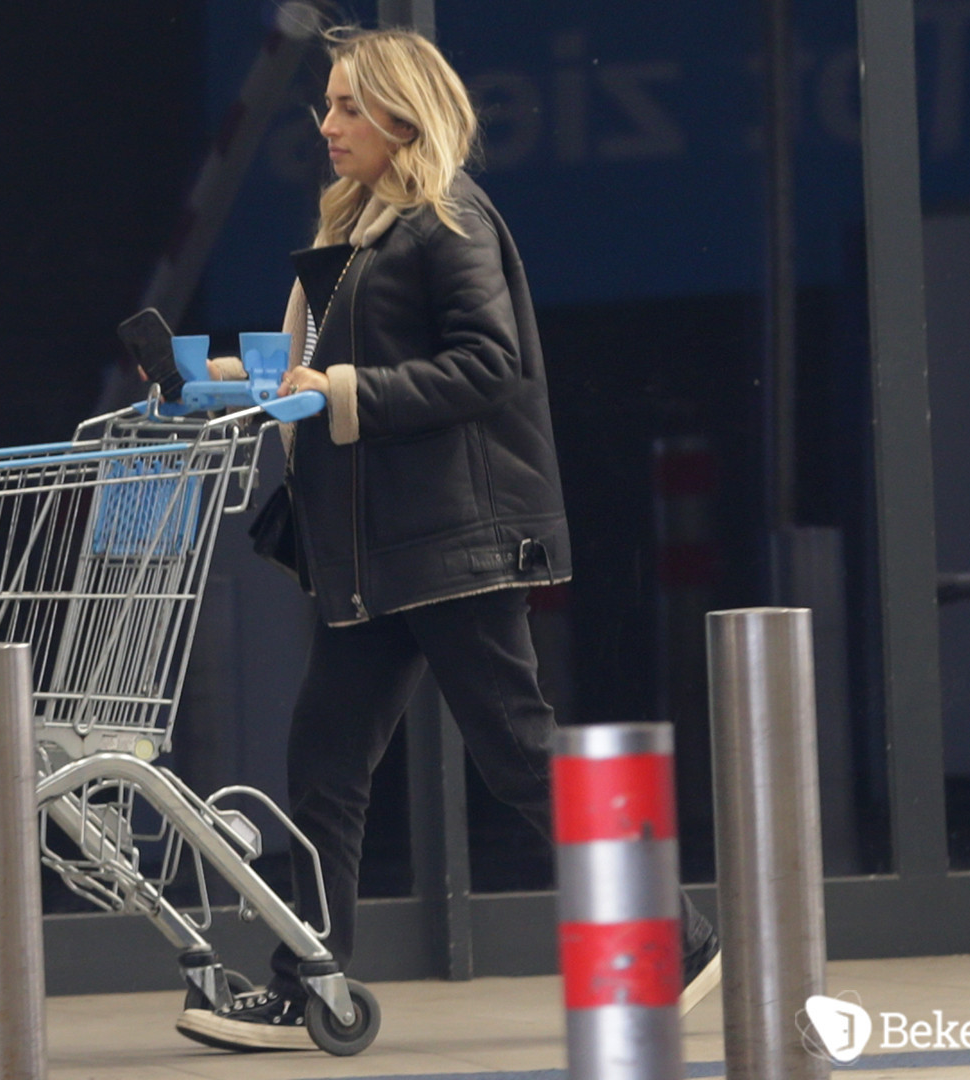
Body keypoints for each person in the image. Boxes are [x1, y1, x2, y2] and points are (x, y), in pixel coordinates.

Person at [172, 27, 720, 1053]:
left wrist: (340, 392)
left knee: (517, 754)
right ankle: (309, 980)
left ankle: (679, 942)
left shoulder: (446, 219)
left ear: (398, 116)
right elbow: (340, 377)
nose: (325, 126)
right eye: (324, 107)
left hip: (452, 543)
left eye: (344, 108)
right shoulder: (369, 228)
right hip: (385, 553)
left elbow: (490, 366)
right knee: (324, 760)